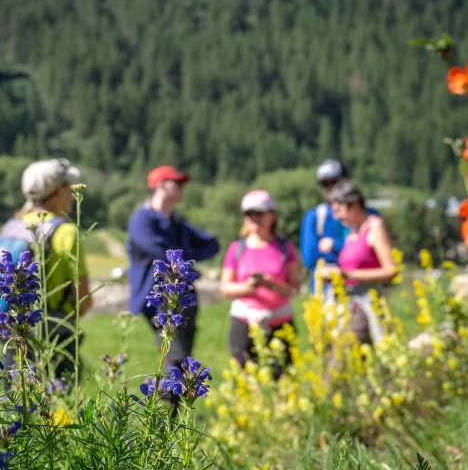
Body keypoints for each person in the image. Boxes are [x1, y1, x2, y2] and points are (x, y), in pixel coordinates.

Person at [0, 158, 92, 379]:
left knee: (17, 398)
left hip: (12, 330)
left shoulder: (11, 226)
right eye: (69, 186)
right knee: (60, 404)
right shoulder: (66, 232)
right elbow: (83, 299)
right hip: (56, 335)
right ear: (60, 190)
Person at [126, 165, 219, 369]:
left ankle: (178, 397)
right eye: (176, 183)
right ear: (160, 186)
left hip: (184, 296)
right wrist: (186, 262)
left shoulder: (177, 222)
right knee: (175, 355)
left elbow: (212, 244)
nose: (181, 187)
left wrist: (187, 258)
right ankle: (169, 397)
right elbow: (161, 253)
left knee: (185, 355)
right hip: (159, 298)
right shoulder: (142, 220)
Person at [219, 190, 300, 377]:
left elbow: (294, 288)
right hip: (245, 320)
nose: (254, 218)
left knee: (284, 376)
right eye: (249, 214)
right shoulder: (237, 248)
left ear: (272, 215)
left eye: (259, 213)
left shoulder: (284, 247)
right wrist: (248, 288)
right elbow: (225, 287)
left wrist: (272, 284)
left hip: (280, 320)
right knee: (245, 377)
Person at [324, 180, 397, 344]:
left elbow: (391, 270)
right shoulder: (351, 232)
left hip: (369, 307)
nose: (336, 217)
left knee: (340, 362)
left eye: (338, 210)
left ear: (354, 204)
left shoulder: (374, 226)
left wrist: (348, 274)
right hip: (349, 306)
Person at [299, 159, 378, 298]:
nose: (330, 187)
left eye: (335, 182)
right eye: (325, 183)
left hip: (365, 292)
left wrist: (334, 245)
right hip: (325, 293)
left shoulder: (370, 218)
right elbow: (310, 257)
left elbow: (375, 253)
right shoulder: (315, 217)